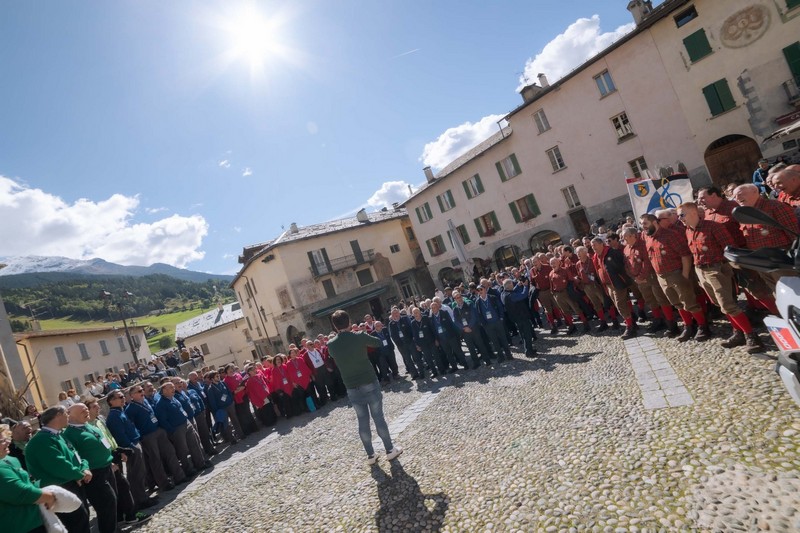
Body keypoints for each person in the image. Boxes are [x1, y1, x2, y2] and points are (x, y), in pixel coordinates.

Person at [326, 310, 402, 465]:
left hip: (351, 386)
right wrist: (361, 335)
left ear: (334, 326)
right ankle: (389, 450)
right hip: (369, 381)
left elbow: (335, 355)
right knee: (378, 418)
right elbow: (377, 342)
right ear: (349, 322)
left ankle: (370, 455)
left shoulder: (331, 345)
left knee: (362, 421)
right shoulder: (359, 336)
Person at [641, 212, 707, 342]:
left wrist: (685, 275)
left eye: (645, 223)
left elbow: (685, 255)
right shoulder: (648, 238)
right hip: (662, 276)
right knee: (677, 303)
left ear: (654, 222)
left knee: (689, 302)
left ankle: (703, 327)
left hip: (676, 274)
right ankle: (688, 326)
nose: (643, 227)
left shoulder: (670, 235)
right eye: (642, 224)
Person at [25, 406, 92, 533]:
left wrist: (85, 468)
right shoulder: (41, 440)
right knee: (76, 524)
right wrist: (80, 475)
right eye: (66, 413)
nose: (69, 416)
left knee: (82, 519)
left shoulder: (58, 435)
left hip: (72, 482)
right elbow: (57, 465)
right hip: (61, 487)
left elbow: (75, 454)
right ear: (57, 416)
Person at [63, 403, 118, 533]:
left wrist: (110, 460)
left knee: (113, 501)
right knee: (106, 503)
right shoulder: (69, 434)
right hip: (94, 473)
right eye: (83, 411)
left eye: (87, 409)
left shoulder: (89, 426)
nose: (87, 412)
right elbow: (74, 455)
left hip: (107, 467)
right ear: (71, 416)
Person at [0, 423, 57, 533]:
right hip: (20, 526)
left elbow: (27, 482)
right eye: (1, 441)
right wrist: (51, 497)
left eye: (6, 438)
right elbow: (22, 493)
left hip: (36, 518)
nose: (7, 442)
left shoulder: (9, 459)